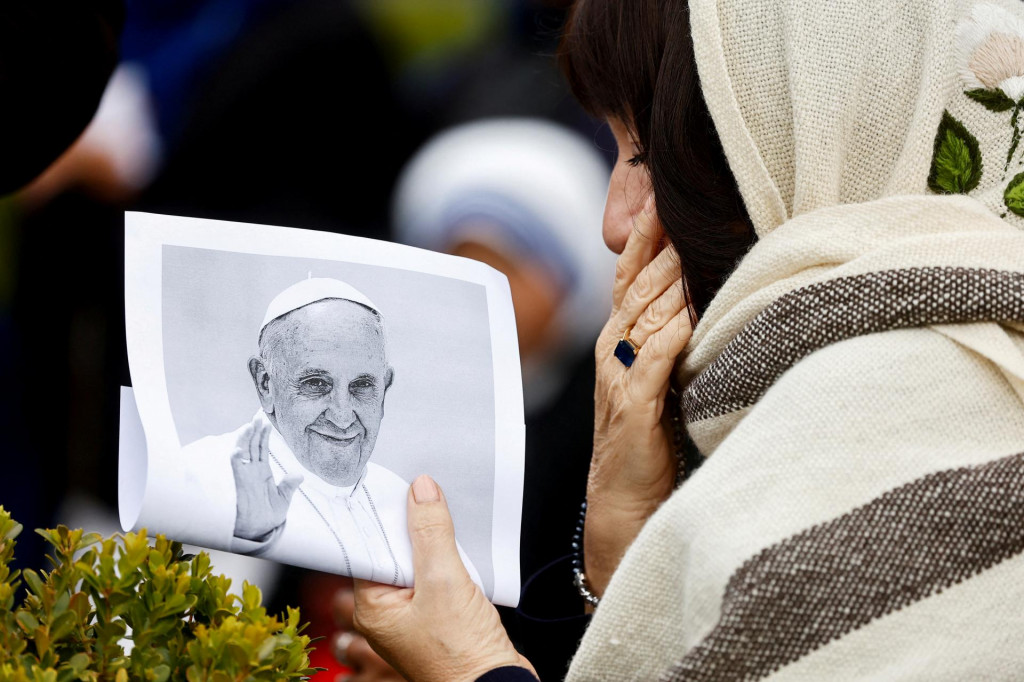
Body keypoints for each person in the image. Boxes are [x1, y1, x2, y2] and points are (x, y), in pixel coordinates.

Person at [343, 0, 1024, 679]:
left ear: (803, 134)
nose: (615, 223)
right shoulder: (805, 411)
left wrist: (469, 667)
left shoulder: (880, 432)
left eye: (644, 153)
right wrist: (619, 549)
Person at [180, 277, 481, 588]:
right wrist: (250, 539)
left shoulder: (401, 499)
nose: (342, 415)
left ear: (384, 389)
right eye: (316, 384)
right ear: (265, 383)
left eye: (361, 386)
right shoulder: (198, 475)